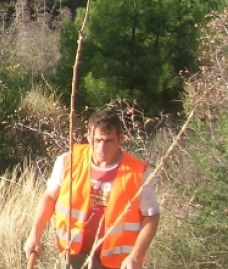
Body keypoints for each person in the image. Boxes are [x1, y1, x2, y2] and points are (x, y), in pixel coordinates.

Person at [25, 109, 160, 269]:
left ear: (120, 139)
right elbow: (50, 197)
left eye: (109, 141)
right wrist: (35, 233)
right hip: (74, 253)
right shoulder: (68, 161)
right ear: (89, 137)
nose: (102, 148)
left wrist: (136, 256)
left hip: (116, 260)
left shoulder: (138, 172)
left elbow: (151, 216)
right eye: (97, 140)